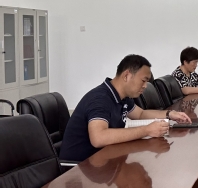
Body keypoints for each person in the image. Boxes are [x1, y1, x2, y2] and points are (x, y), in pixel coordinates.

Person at [60, 54, 191, 162]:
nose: (145, 86)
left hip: (103, 159)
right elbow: (99, 138)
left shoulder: (122, 96)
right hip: (80, 166)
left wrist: (169, 114)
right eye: (143, 80)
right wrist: (147, 130)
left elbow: (140, 114)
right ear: (126, 75)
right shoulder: (100, 99)